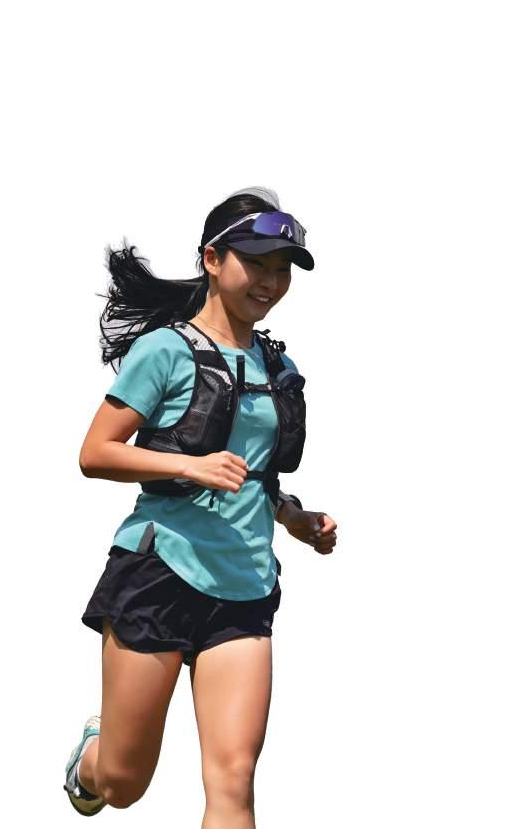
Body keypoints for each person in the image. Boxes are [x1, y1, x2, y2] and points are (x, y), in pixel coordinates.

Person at [63, 185, 338, 824]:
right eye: (256, 263)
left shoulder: (279, 367)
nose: (270, 281)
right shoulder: (165, 350)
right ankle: (91, 761)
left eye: (283, 269)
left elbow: (256, 476)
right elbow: (95, 453)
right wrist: (188, 465)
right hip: (159, 571)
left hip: (245, 584)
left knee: (233, 779)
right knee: (124, 782)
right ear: (213, 259)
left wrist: (294, 517)